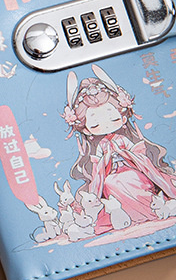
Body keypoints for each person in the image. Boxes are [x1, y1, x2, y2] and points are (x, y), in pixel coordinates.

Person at [63, 64, 176, 233]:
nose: (105, 123)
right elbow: (97, 169)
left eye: (112, 117)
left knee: (131, 178)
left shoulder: (123, 139)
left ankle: (152, 209)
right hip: (110, 175)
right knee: (111, 183)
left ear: (123, 118)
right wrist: (105, 159)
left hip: (134, 170)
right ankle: (127, 216)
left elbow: (140, 155)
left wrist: (125, 153)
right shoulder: (101, 146)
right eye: (95, 122)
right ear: (86, 129)